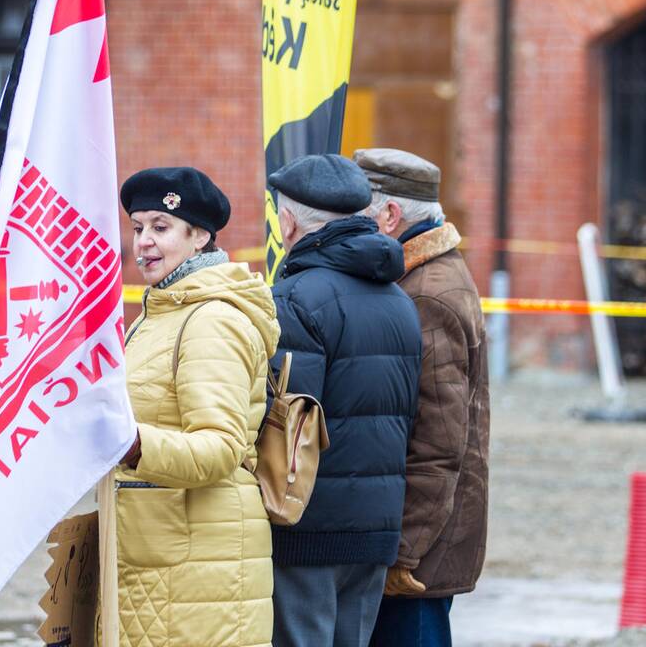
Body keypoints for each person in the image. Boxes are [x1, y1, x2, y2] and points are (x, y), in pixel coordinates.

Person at [109, 166, 279, 647]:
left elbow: (221, 447)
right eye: (138, 227)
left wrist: (132, 442)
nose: (143, 242)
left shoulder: (211, 320)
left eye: (160, 228)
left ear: (200, 235)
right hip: (159, 554)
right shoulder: (162, 310)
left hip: (199, 565)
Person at [267, 153, 422, 646]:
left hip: (307, 525)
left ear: (287, 221)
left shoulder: (295, 298)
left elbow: (290, 423)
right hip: (375, 524)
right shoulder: (399, 301)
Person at [355, 148, 490, 647]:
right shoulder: (418, 277)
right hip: (420, 541)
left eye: (360, 212)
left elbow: (439, 441)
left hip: (418, 555)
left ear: (390, 216)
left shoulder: (425, 293)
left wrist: (403, 553)